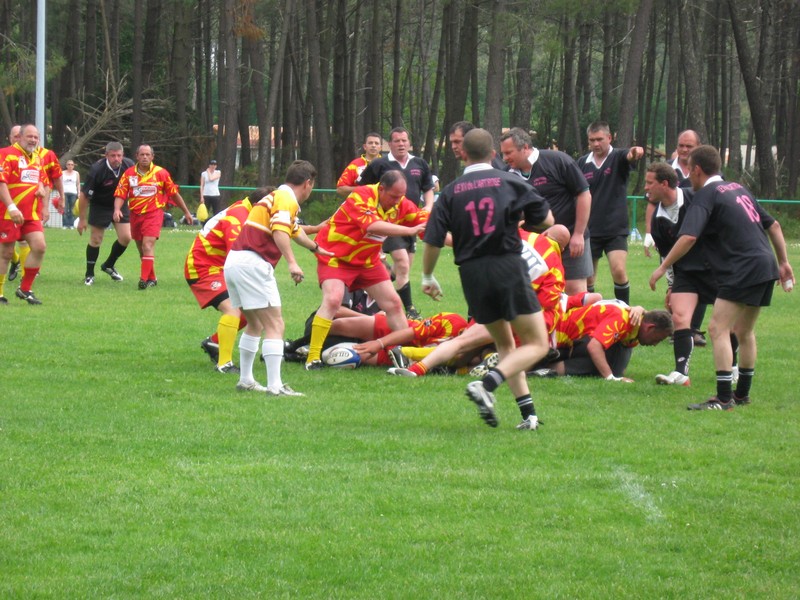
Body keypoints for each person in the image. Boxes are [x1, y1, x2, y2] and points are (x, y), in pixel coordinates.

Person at [422, 127, 554, 431]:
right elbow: (547, 219)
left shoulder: (450, 191)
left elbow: (433, 239)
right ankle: (487, 384)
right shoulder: (510, 181)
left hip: (471, 273)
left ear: (463, 155)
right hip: (506, 265)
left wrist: (428, 275)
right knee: (538, 344)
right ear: (494, 154)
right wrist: (521, 219)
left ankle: (529, 415)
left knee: (505, 344)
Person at [649, 145, 795, 410]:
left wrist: (662, 268)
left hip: (742, 267)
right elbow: (773, 225)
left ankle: (724, 398)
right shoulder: (738, 188)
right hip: (765, 264)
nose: (688, 177)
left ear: (697, 170)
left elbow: (689, 237)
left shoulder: (706, 194)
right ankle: (741, 395)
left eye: (689, 171)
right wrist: (783, 262)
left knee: (718, 328)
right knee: (744, 330)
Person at [305, 170, 428, 370]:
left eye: (401, 197)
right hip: (336, 256)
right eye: (394, 196)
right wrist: (410, 231)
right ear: (381, 189)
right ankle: (312, 358)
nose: (397, 202)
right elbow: (372, 226)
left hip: (367, 261)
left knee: (394, 304)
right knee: (333, 300)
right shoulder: (361, 195)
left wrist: (459, 237)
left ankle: (404, 355)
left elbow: (426, 221)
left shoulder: (400, 203)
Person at [224, 160, 327, 395]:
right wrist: (292, 262)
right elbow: (280, 231)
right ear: (308, 183)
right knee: (275, 324)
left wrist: (315, 248)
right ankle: (275, 386)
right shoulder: (286, 198)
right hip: (254, 263)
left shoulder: (277, 196)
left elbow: (294, 231)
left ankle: (246, 380)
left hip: (235, 261)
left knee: (256, 323)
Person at [186, 187, 274, 373]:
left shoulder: (248, 211)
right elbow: (237, 254)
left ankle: (214, 343)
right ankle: (224, 364)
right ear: (259, 205)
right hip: (204, 267)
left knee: (252, 311)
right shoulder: (238, 218)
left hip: (219, 265)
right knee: (233, 310)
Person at [499, 127, 592, 295]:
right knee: (537, 294)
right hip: (534, 246)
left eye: (508, 153)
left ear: (525, 147)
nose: (504, 158)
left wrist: (578, 234)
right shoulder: (506, 175)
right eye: (503, 154)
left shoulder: (557, 160)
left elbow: (584, 194)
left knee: (575, 291)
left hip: (571, 237)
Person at [357, 127, 435, 318]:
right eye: (397, 141)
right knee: (402, 262)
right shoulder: (380, 164)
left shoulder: (419, 163)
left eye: (404, 140)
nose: (401, 144)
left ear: (409, 143)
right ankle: (409, 309)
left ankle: (381, 300)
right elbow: (362, 188)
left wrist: (428, 207)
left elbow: (428, 188)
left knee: (403, 269)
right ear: (389, 144)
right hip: (389, 220)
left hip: (412, 221)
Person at [644, 129, 708, 346]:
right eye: (681, 145)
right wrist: (672, 286)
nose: (645, 188)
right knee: (681, 307)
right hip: (685, 264)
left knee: (725, 323)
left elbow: (691, 236)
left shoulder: (696, 198)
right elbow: (667, 256)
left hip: (713, 260)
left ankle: (733, 361)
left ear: (664, 184)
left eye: (649, 183)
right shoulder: (658, 222)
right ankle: (683, 337)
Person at [577, 121, 644, 304]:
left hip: (615, 227)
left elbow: (630, 156)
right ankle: (588, 315)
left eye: (600, 139)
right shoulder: (582, 163)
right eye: (592, 140)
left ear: (609, 137)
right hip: (590, 228)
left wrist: (635, 152)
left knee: (619, 270)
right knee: (588, 278)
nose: (596, 144)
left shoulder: (618, 157)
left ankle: (624, 311)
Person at [113, 144, 193, 289]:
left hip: (153, 214)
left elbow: (174, 194)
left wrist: (186, 212)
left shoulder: (161, 173)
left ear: (152, 157)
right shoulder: (129, 174)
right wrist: (117, 209)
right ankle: (152, 278)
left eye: (147, 154)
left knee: (147, 245)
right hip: (135, 214)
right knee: (141, 249)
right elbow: (121, 193)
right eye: (142, 154)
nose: (145, 157)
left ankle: (143, 280)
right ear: (137, 156)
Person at [545, 302, 673, 380]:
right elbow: (594, 346)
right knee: (600, 357)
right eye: (658, 339)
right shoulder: (622, 318)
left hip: (574, 339)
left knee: (612, 365)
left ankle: (549, 366)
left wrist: (615, 375)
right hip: (558, 337)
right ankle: (548, 367)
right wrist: (610, 377)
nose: (655, 344)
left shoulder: (637, 323)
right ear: (650, 328)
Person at [0, 124, 47, 304]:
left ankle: (25, 289)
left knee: (40, 247)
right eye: (29, 136)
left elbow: (41, 179)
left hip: (30, 213)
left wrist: (41, 188)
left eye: (36, 137)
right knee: (6, 253)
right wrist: (11, 207)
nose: (33, 140)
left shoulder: (37, 157)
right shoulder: (6, 154)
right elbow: (1, 182)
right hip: (8, 213)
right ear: (19, 137)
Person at [78, 142, 135, 286]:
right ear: (106, 155)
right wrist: (82, 219)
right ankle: (89, 274)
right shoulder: (97, 170)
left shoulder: (129, 165)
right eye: (113, 156)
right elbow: (84, 196)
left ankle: (108, 265)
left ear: (123, 155)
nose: (116, 159)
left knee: (126, 237)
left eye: (119, 155)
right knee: (96, 239)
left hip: (120, 204)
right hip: (100, 205)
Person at [336, 132, 382, 198]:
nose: (373, 145)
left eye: (376, 143)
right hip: (359, 203)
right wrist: (362, 189)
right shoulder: (354, 165)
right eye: (370, 143)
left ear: (380, 147)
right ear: (365, 147)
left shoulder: (387, 165)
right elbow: (340, 189)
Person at [61, 159, 80, 229]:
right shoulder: (62, 173)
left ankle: (71, 224)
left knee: (72, 209)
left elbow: (78, 184)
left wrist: (79, 192)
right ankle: (65, 225)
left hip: (73, 193)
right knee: (65, 209)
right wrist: (60, 193)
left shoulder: (76, 173)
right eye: (68, 164)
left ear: (73, 166)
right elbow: (60, 184)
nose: (70, 166)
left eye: (72, 165)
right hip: (64, 193)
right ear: (66, 166)